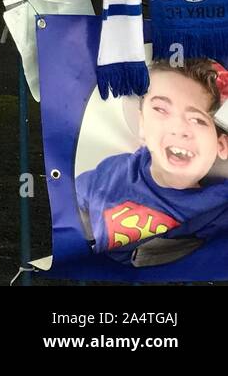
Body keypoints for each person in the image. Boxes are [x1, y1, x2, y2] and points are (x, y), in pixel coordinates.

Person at [74, 58, 228, 266]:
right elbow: (72, 202)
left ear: (221, 145)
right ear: (142, 125)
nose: (178, 129)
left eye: (197, 119)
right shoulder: (112, 173)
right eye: (161, 110)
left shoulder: (217, 205)